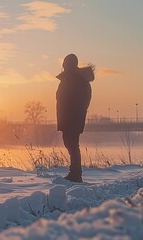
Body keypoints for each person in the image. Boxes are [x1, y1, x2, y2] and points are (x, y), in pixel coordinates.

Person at [56, 54, 94, 182]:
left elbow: (78, 100)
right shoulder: (72, 79)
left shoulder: (76, 80)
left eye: (66, 64)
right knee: (70, 144)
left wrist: (72, 112)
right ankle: (75, 172)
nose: (64, 66)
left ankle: (76, 174)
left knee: (72, 144)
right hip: (69, 117)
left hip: (72, 117)